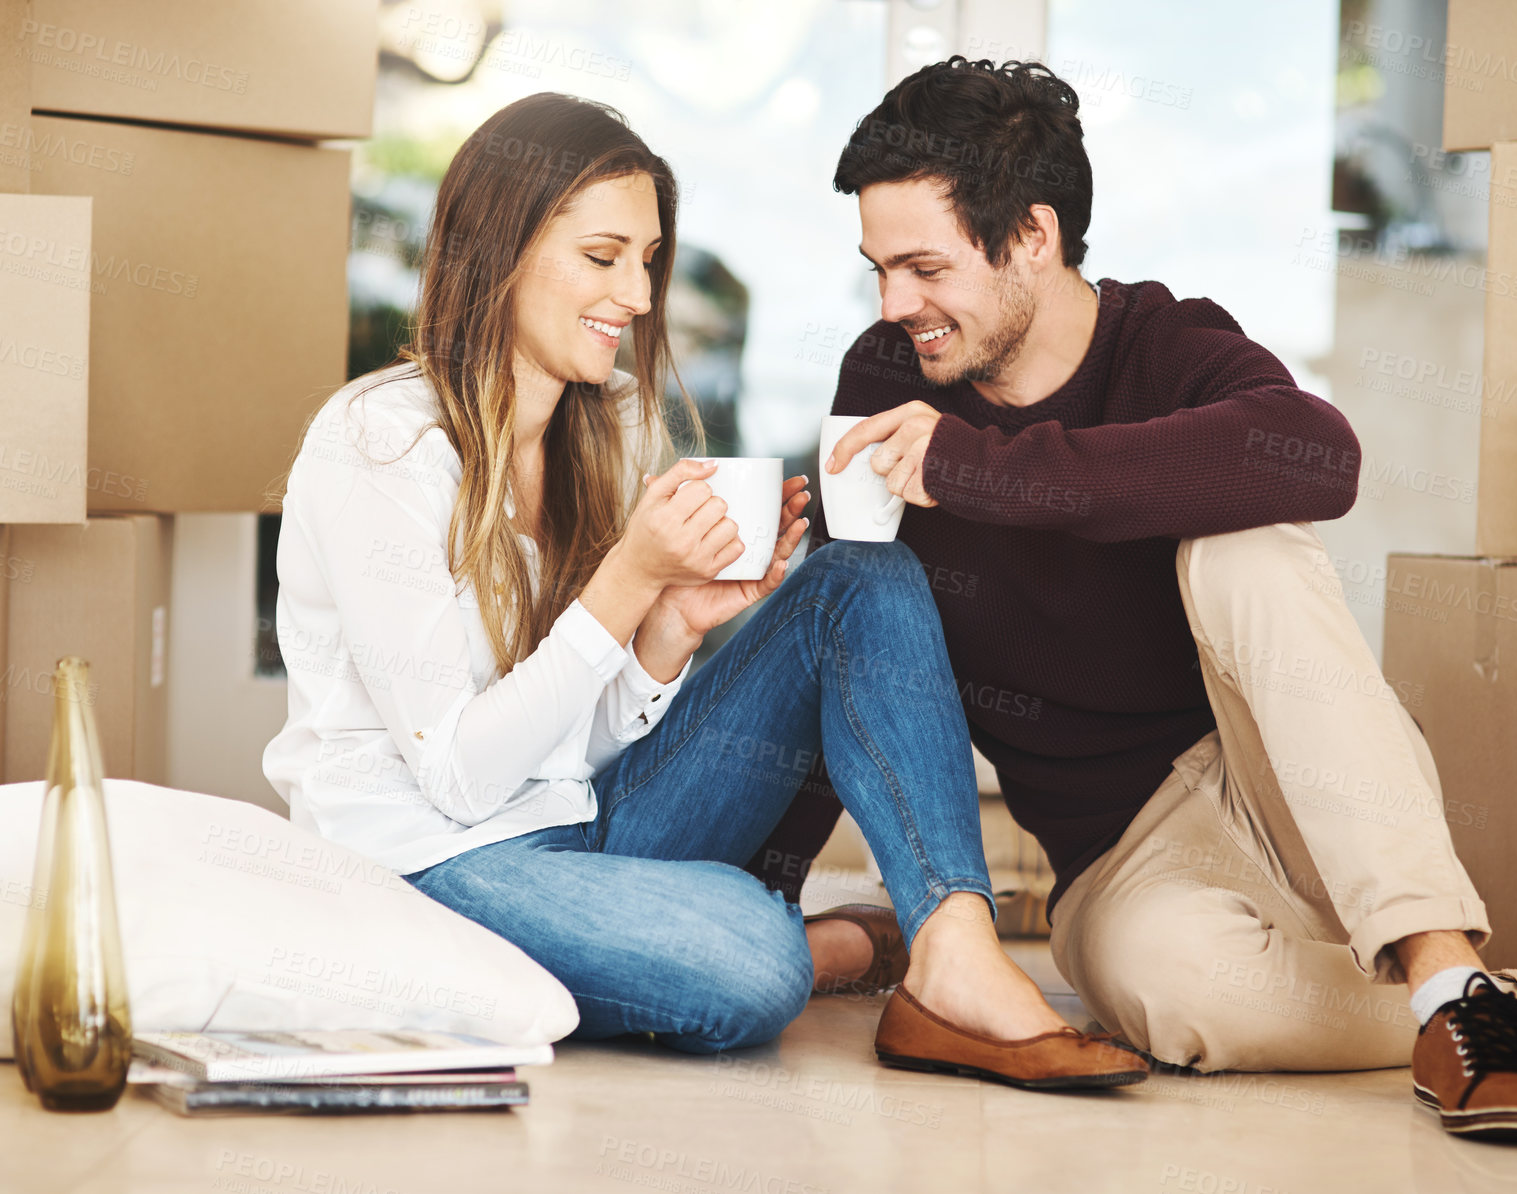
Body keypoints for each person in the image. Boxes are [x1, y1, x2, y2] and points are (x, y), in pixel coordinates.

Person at [754, 57, 1517, 1141]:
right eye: (876, 270)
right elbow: (855, 623)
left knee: (1244, 552)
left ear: (1032, 239)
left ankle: (1432, 961)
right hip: (1118, 857)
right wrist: (770, 911)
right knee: (1179, 1002)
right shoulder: (888, 374)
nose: (894, 304)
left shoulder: (1164, 341)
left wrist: (983, 469)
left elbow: (1318, 458)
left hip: (1282, 777)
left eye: (920, 268)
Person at [261, 91, 1145, 1090]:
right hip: (432, 870)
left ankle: (956, 958)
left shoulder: (586, 437)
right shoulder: (381, 443)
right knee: (749, 961)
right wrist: (626, 580)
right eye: (602, 257)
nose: (637, 296)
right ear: (496, 251)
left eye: (646, 260)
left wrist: (666, 635)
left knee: (857, 582)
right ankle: (820, 948)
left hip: (573, 825)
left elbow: (562, 757)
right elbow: (462, 782)